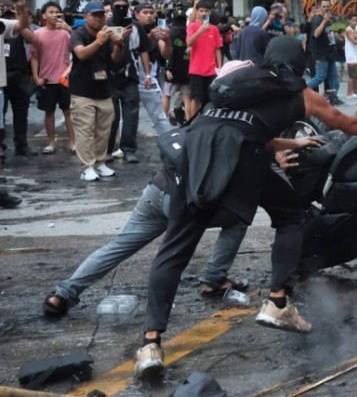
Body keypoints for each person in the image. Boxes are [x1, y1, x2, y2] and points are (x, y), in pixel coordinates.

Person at [133, 37, 357, 379]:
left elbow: (237, 128)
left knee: (173, 250)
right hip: (243, 160)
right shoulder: (298, 92)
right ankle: (277, 302)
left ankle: (150, 345)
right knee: (290, 216)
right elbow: (344, 122)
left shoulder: (236, 83)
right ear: (298, 62)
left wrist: (293, 141)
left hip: (195, 156)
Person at [42, 134, 250, 318]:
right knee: (238, 219)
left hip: (156, 191)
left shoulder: (202, 122)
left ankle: (63, 293)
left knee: (119, 246)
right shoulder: (234, 131)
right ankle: (213, 279)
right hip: (182, 200)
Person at [68, 0, 129, 181]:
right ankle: (87, 167)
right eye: (94, 15)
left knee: (104, 130)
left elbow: (115, 60)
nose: (98, 19)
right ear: (86, 17)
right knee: (85, 130)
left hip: (103, 89)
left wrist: (119, 44)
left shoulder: (108, 34)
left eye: (101, 15)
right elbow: (81, 54)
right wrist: (99, 41)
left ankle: (100, 163)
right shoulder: (78, 33)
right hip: (82, 90)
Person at [29, 0, 76, 154]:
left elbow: (78, 46)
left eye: (57, 12)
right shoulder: (37, 34)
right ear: (43, 15)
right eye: (51, 12)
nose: (55, 15)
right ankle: (51, 142)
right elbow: (34, 57)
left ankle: (73, 142)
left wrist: (69, 29)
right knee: (49, 112)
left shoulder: (65, 33)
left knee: (68, 111)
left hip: (64, 79)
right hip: (46, 79)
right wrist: (36, 77)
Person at [106, 0, 147, 164]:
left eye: (124, 6)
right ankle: (107, 149)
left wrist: (148, 74)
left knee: (131, 115)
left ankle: (128, 149)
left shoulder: (136, 27)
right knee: (111, 116)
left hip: (130, 76)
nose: (121, 9)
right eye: (117, 7)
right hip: (110, 77)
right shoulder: (106, 27)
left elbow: (144, 50)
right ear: (111, 8)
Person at [0, 0, 36, 164]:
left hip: (18, 74)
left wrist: (21, 9)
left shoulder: (7, 23)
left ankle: (21, 144)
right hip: (2, 77)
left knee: (21, 112)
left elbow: (28, 34)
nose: (2, 5)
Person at [133, 3, 174, 138]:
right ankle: (121, 144)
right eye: (145, 12)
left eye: (151, 13)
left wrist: (167, 41)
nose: (149, 16)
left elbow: (166, 55)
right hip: (130, 79)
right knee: (124, 115)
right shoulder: (131, 29)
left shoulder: (156, 30)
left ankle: (169, 141)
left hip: (149, 79)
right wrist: (149, 36)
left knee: (159, 115)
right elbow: (134, 48)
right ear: (136, 14)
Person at [185, 0, 223, 120]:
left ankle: (207, 121)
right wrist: (200, 31)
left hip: (211, 69)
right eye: (201, 11)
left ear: (210, 12)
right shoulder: (192, 27)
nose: (203, 13)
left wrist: (220, 67)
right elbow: (188, 43)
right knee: (195, 98)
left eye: (206, 11)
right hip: (196, 69)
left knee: (210, 98)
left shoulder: (214, 29)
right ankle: (192, 122)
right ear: (197, 12)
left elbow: (217, 49)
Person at [306, 0, 343, 105]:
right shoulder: (317, 19)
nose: (326, 8)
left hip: (330, 53)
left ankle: (333, 97)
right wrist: (324, 21)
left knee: (334, 78)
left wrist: (336, 37)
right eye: (324, 6)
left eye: (328, 6)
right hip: (321, 54)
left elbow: (328, 34)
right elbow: (316, 34)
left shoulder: (328, 20)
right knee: (320, 77)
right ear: (319, 7)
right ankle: (302, 88)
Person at [343, 13, 357, 98]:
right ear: (349, 21)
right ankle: (349, 93)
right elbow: (354, 42)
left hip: (356, 55)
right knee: (352, 76)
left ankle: (355, 91)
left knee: (356, 75)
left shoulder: (354, 30)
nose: (355, 22)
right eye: (353, 20)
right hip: (351, 56)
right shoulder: (349, 30)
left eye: (356, 20)